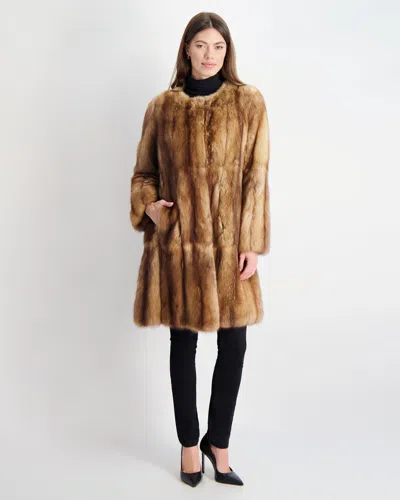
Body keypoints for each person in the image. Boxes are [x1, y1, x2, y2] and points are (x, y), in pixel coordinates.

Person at [129, 12, 270, 488]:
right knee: (183, 344)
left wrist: (251, 242)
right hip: (180, 247)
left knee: (234, 344)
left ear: (227, 52)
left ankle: (219, 443)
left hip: (230, 248)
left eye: (219, 47)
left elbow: (256, 178)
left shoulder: (248, 103)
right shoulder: (161, 108)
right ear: (186, 49)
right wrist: (150, 207)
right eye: (201, 45)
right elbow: (144, 174)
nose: (210, 55)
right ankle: (190, 445)